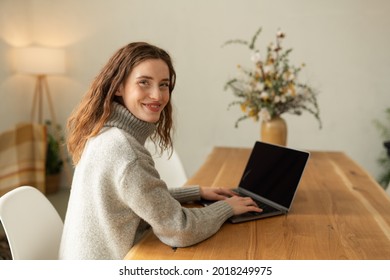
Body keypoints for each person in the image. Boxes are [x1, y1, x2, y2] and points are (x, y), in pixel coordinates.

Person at [59, 42, 261, 260]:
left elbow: (134, 197)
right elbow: (180, 230)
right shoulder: (125, 152)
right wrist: (226, 208)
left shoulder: (103, 134)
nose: (157, 95)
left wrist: (197, 192)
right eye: (144, 83)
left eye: (163, 85)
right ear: (118, 86)